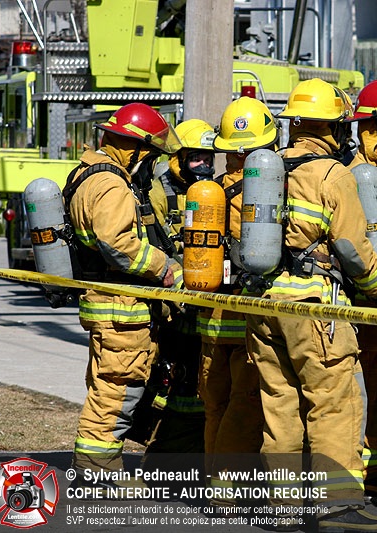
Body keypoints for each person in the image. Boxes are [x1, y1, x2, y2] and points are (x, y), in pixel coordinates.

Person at [245, 77, 377, 533]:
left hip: (265, 303)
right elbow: (353, 249)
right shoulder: (332, 174)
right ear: (335, 127)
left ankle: (280, 507)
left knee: (279, 407)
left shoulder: (269, 167)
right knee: (335, 404)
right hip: (314, 309)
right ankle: (339, 508)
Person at [64, 102, 182, 483]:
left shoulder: (87, 174)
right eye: (150, 155)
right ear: (134, 148)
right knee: (116, 391)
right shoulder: (112, 184)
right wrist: (163, 267)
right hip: (120, 309)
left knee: (108, 387)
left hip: (108, 305)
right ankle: (97, 472)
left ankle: (95, 468)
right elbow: (117, 243)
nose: (151, 164)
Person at [198, 97, 276, 501]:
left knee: (215, 406)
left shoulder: (210, 193)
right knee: (244, 405)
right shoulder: (261, 190)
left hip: (211, 318)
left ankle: (214, 480)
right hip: (244, 316)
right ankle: (227, 487)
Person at [141, 119, 217, 461]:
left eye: (208, 158)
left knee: (203, 381)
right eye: (195, 158)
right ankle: (164, 453)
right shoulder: (160, 194)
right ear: (178, 159)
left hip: (205, 298)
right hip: (174, 302)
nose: (204, 165)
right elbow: (153, 245)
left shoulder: (214, 192)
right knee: (173, 379)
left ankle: (194, 453)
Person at [345, 78, 377, 498]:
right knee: (358, 388)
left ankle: (376, 469)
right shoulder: (351, 176)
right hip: (360, 300)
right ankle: (355, 470)